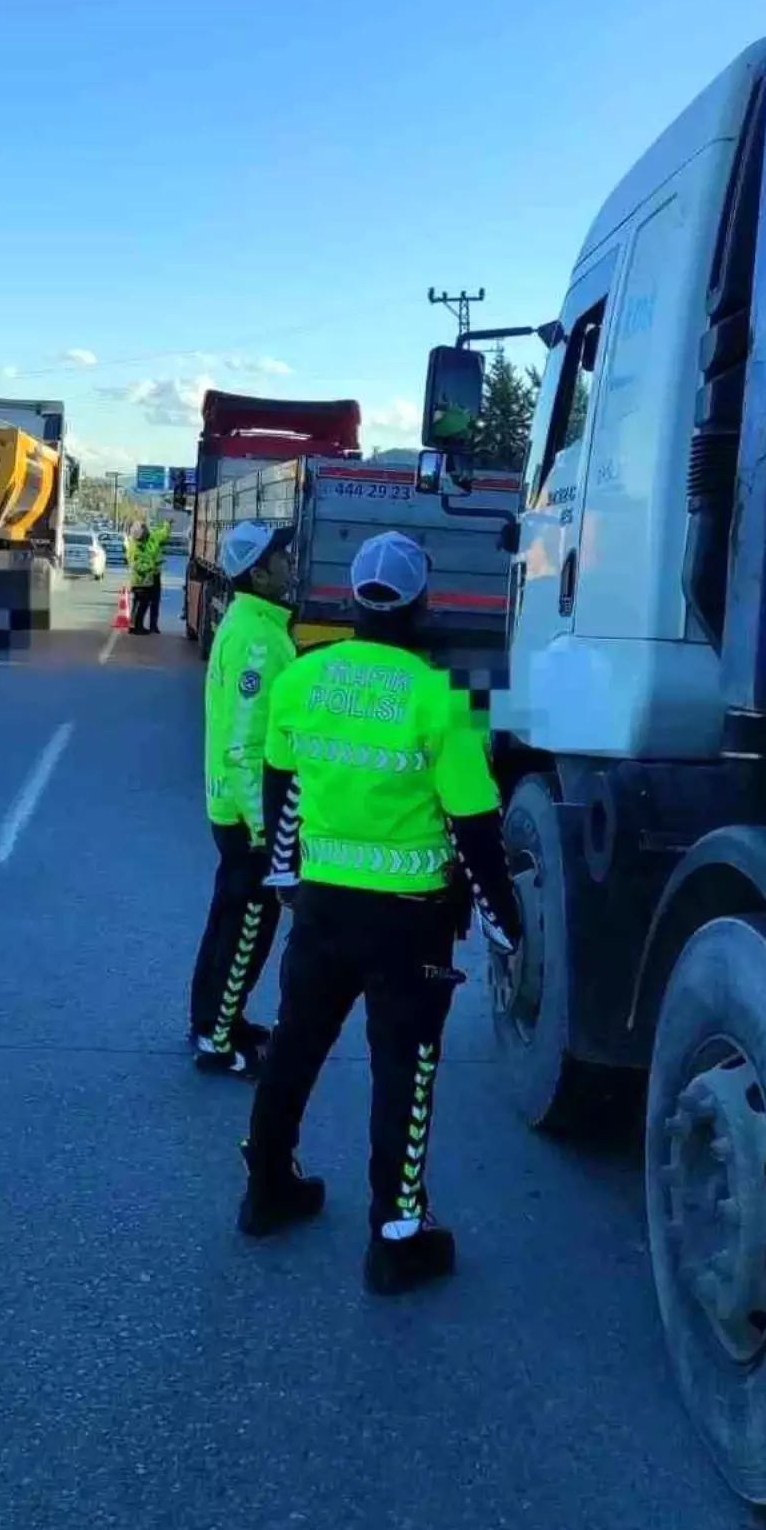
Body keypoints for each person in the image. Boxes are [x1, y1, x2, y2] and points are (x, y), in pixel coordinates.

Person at [238, 529, 522, 1295]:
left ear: (353, 600)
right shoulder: (440, 700)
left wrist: (286, 875)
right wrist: (506, 923)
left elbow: (282, 790)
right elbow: (474, 830)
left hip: (323, 911)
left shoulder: (305, 678)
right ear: (421, 603)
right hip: (410, 924)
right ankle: (397, 1238)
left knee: (294, 1046)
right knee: (405, 1071)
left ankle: (266, 1189)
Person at [190, 518, 296, 1077]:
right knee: (248, 929)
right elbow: (245, 747)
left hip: (230, 809)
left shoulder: (250, 624)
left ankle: (213, 1017)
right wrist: (267, 832)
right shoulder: (258, 639)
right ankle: (218, 1039)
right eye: (281, 557)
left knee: (228, 922)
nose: (290, 563)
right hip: (246, 815)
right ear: (258, 570)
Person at [125, 518, 171, 634]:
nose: (140, 540)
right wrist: (149, 566)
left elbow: (164, 533)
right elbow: (134, 562)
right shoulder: (133, 545)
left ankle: (152, 626)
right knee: (141, 602)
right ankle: (136, 626)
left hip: (153, 575)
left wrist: (167, 524)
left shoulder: (154, 536)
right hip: (141, 577)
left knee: (153, 601)